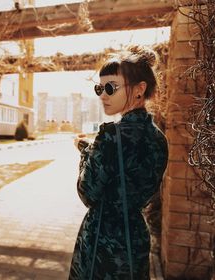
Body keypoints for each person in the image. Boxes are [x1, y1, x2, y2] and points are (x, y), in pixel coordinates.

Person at [68, 45, 168, 280]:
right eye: (100, 88)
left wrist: (85, 154)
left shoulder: (111, 136)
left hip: (103, 244)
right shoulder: (158, 138)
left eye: (111, 87)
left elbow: (88, 193)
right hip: (136, 238)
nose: (103, 94)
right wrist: (90, 147)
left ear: (139, 90)